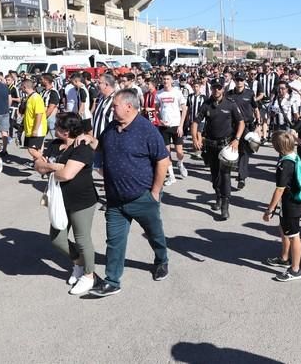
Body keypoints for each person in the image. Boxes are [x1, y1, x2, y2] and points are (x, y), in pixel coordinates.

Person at [84, 89, 171, 297]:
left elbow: (162, 160)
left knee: (154, 235)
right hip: (115, 200)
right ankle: (112, 280)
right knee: (114, 241)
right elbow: (100, 147)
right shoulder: (112, 128)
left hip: (142, 197)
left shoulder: (146, 130)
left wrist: (155, 192)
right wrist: (87, 139)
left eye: (115, 106)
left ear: (129, 107)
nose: (112, 109)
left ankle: (161, 260)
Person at [35, 113, 98, 295]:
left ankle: (89, 275)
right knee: (57, 239)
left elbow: (67, 175)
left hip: (81, 201)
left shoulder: (82, 148)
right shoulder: (55, 145)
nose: (54, 129)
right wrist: (55, 167)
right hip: (59, 200)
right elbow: (38, 166)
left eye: (58, 127)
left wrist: (50, 168)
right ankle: (78, 264)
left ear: (67, 131)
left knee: (82, 239)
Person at [192, 78, 245, 220]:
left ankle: (225, 206)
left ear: (223, 89)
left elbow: (241, 122)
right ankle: (218, 197)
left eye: (219, 88)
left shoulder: (230, 104)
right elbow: (196, 122)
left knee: (225, 176)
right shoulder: (206, 104)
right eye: (214, 88)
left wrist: (237, 139)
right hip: (210, 145)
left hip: (226, 145)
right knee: (214, 175)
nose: (216, 90)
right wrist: (195, 138)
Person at [262, 131, 301, 282]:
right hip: (291, 202)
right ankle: (285, 258)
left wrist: (270, 210)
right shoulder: (293, 157)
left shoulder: (285, 164)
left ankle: (295, 269)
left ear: (277, 147)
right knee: (284, 230)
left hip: (290, 205)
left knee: (294, 236)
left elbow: (279, 189)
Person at [228, 71, 259, 190]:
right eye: (237, 80)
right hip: (233, 126)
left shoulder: (250, 93)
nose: (239, 82)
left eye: (241, 80)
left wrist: (258, 124)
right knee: (232, 149)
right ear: (234, 81)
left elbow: (255, 108)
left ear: (244, 81)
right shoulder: (229, 95)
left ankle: (242, 177)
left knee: (244, 152)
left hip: (247, 126)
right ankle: (228, 172)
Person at [156, 72, 188, 186]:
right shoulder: (159, 94)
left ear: (172, 80)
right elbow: (156, 109)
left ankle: (180, 163)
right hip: (164, 127)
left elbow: (184, 109)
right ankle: (172, 176)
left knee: (179, 151)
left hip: (176, 126)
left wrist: (181, 125)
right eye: (164, 79)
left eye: (168, 79)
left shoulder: (177, 92)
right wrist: (160, 120)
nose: (165, 81)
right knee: (166, 152)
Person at [20, 79, 48, 162]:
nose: (20, 88)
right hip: (29, 128)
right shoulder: (29, 97)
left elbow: (39, 114)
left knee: (31, 149)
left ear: (25, 87)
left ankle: (47, 163)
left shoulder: (36, 98)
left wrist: (35, 129)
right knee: (37, 150)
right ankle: (41, 166)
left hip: (37, 129)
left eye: (21, 87)